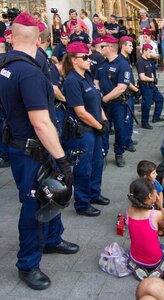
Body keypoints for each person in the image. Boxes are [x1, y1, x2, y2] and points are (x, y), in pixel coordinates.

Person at [0, 12, 78, 290]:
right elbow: (41, 122)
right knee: (34, 205)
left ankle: (53, 239)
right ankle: (28, 264)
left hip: (22, 146)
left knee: (51, 195)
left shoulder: (6, 65)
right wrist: (61, 159)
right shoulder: (30, 72)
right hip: (33, 150)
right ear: (39, 40)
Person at [62, 41, 109, 217]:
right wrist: (99, 126)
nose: (89, 60)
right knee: (83, 168)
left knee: (97, 163)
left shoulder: (87, 76)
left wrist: (103, 121)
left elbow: (96, 101)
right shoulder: (72, 81)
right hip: (83, 132)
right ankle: (82, 203)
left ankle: (94, 194)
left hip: (95, 129)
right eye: (85, 57)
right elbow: (80, 112)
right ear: (74, 60)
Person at [126, 178, 164, 281]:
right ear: (150, 196)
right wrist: (160, 206)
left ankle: (136, 265)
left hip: (134, 256)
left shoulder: (129, 211)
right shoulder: (155, 215)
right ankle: (160, 268)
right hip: (154, 260)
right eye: (155, 192)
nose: (157, 194)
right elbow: (163, 226)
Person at [94, 35, 131, 167]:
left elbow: (121, 88)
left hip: (117, 104)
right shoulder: (101, 64)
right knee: (103, 128)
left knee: (120, 129)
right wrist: (98, 94)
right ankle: (103, 152)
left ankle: (119, 153)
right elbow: (96, 82)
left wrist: (105, 98)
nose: (100, 48)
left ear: (109, 48)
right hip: (103, 104)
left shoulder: (122, 64)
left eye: (102, 46)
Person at [136, 42, 164, 129]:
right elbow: (142, 77)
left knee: (160, 99)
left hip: (151, 86)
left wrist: (153, 78)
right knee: (146, 105)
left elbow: (151, 72)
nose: (151, 54)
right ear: (144, 51)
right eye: (149, 52)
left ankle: (156, 117)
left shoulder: (148, 61)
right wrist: (152, 79)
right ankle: (144, 123)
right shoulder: (140, 62)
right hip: (145, 86)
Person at [119, 36, 140, 152]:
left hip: (130, 93)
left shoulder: (126, 59)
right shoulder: (121, 60)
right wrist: (136, 90)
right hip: (125, 95)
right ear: (123, 46)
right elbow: (125, 81)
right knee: (126, 120)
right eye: (130, 45)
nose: (132, 48)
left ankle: (129, 139)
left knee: (130, 119)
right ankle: (126, 142)